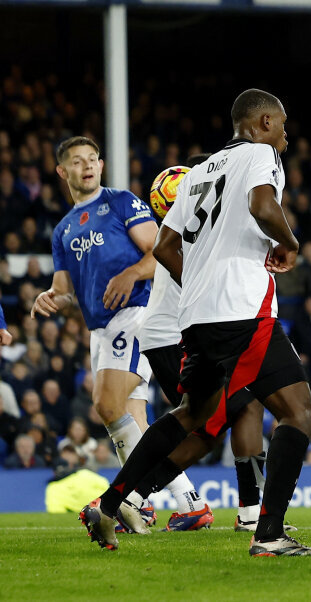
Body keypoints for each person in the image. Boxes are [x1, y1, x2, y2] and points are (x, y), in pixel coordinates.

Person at [79, 89, 311, 557]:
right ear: (265, 121)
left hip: (195, 318)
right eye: (284, 126)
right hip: (244, 309)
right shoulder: (261, 154)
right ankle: (268, 533)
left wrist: (201, 282)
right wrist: (290, 244)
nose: (287, 137)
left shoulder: (197, 174)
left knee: (192, 414)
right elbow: (262, 206)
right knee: (299, 412)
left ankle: (111, 504)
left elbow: (166, 247)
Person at [32, 136, 201, 523]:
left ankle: (132, 501)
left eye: (92, 159)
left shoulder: (121, 202)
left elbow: (158, 254)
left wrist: (129, 275)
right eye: (77, 161)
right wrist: (50, 298)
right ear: (63, 171)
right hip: (102, 331)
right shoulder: (63, 230)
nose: (87, 166)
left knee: (106, 405)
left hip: (137, 313)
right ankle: (189, 503)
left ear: (101, 165)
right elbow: (63, 289)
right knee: (133, 421)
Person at [135, 155, 280, 533]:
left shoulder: (199, 224)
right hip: (172, 336)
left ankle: (250, 514)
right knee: (207, 424)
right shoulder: (195, 230)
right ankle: (133, 497)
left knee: (245, 409)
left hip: (187, 332)